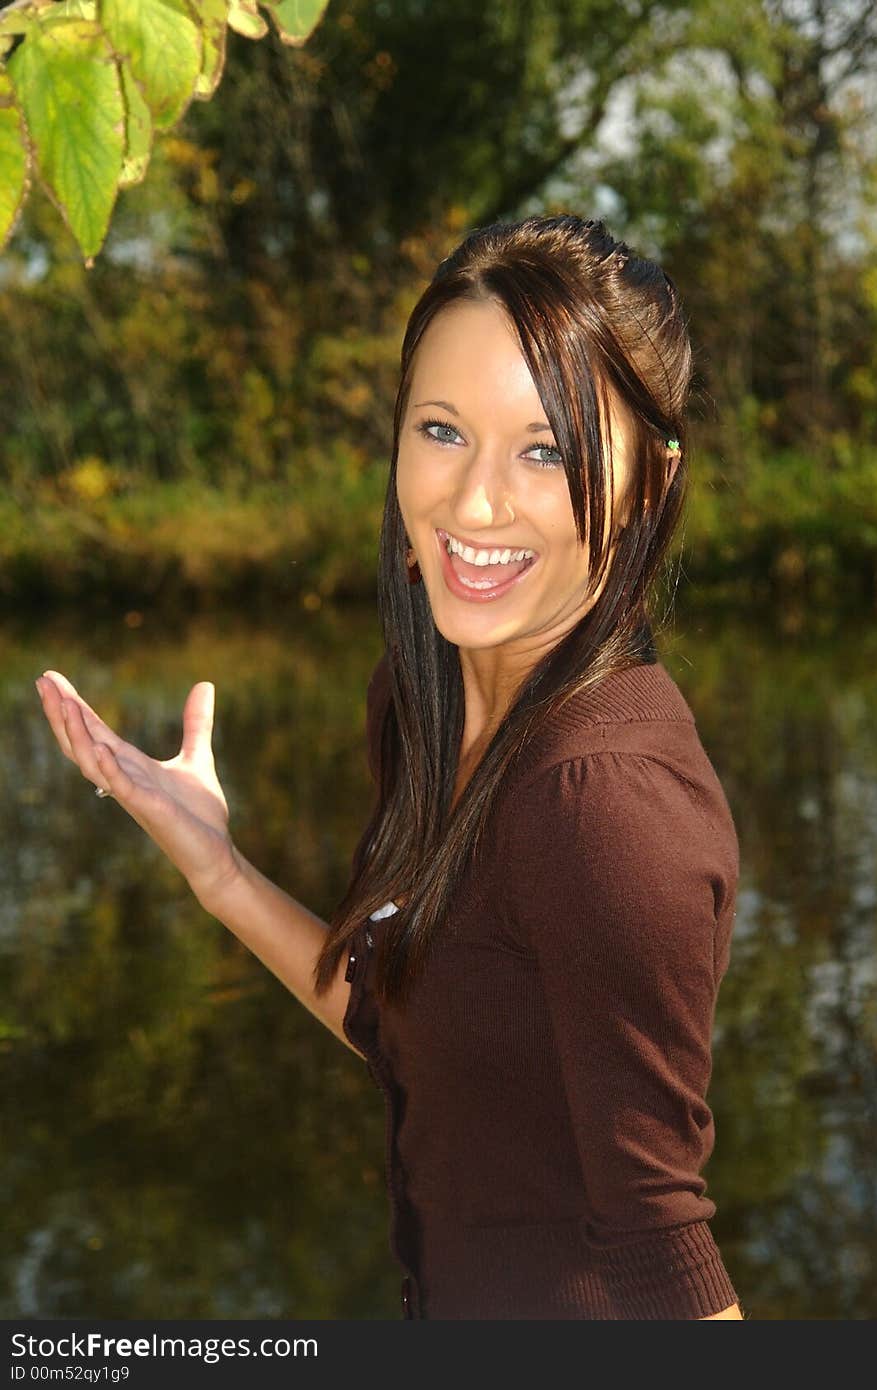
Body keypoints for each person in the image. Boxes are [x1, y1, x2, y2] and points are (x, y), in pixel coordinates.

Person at [35, 214, 743, 1320]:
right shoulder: (424, 692)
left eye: (546, 448)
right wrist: (217, 870)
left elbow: (667, 1263)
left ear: (650, 484)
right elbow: (415, 1033)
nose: (471, 503)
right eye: (443, 429)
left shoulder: (606, 810)